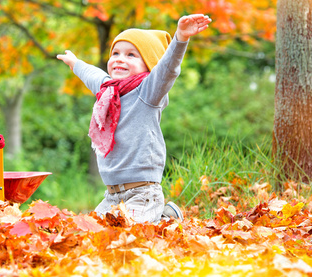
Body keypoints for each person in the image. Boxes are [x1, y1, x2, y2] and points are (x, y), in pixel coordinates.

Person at [57, 14, 212, 223]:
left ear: (148, 64)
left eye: (131, 55)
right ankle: (165, 218)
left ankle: (165, 219)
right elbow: (93, 75)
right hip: (111, 196)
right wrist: (75, 63)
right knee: (89, 231)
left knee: (127, 232)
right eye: (116, 53)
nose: (120, 59)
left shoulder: (148, 91)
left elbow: (168, 69)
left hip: (143, 194)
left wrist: (180, 38)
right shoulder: (108, 91)